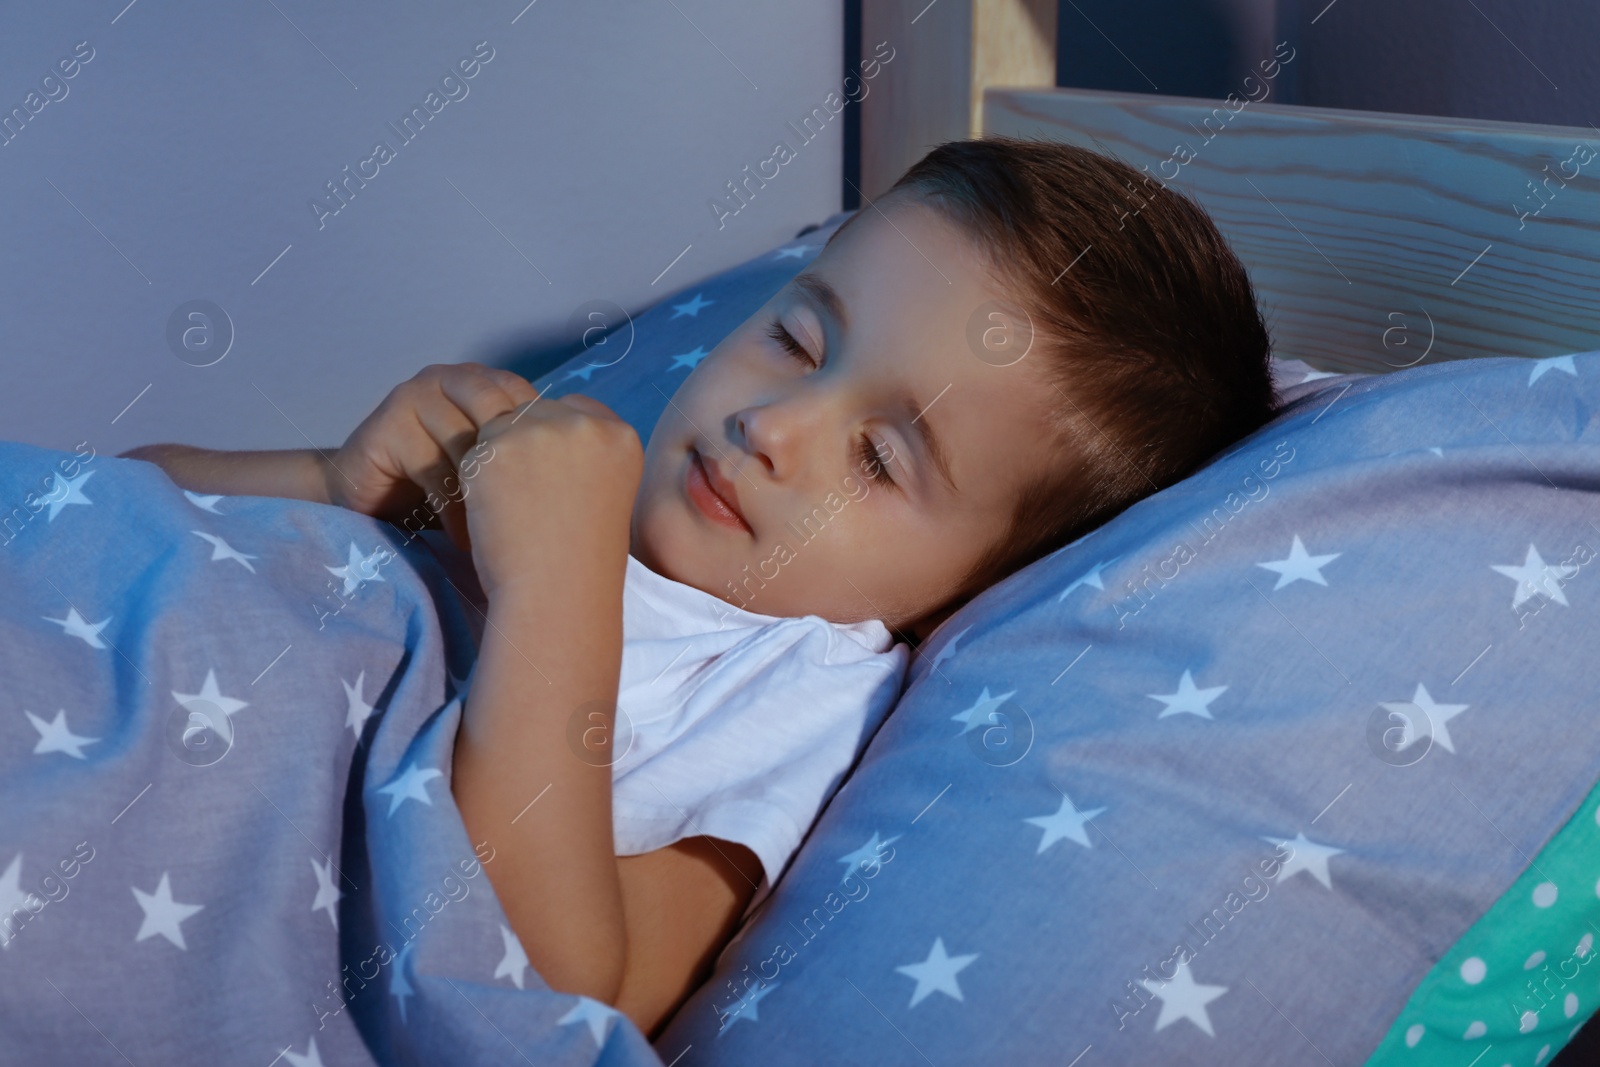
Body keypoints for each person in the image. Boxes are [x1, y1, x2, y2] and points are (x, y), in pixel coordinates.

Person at [121, 136, 1276, 1037]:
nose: (772, 425)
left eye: (879, 458)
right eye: (797, 339)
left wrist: (556, 590)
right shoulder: (573, 474)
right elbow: (122, 508)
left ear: (969, 590)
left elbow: (567, 986)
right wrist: (330, 477)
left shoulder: (805, 691)